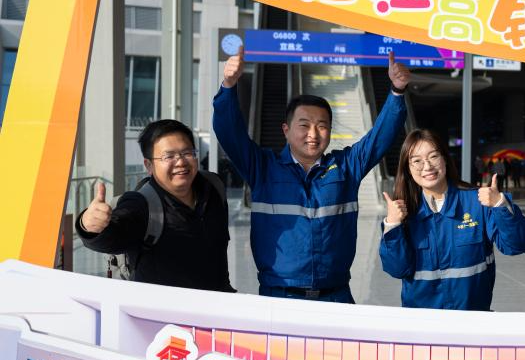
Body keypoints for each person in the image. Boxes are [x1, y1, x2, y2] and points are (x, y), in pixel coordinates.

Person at [213, 48, 409, 302]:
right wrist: (229, 86)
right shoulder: (262, 168)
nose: (313, 134)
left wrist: (397, 92)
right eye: (304, 125)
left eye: (322, 126)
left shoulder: (346, 167)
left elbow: (380, 138)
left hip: (336, 296)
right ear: (286, 130)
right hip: (279, 298)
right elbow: (229, 133)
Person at [379, 130, 525, 310]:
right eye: (417, 161)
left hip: (471, 318)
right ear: (408, 168)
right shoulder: (406, 212)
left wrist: (500, 204)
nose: (427, 166)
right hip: (422, 322)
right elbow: (397, 269)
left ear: (445, 159)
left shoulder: (477, 203)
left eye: (433, 156)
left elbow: (515, 245)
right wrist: (392, 225)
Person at [76, 120, 232, 291]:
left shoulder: (213, 187)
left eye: (187, 153)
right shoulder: (141, 204)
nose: (180, 162)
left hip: (219, 303)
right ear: (149, 165)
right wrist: (88, 226)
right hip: (162, 307)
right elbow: (116, 232)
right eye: (169, 156)